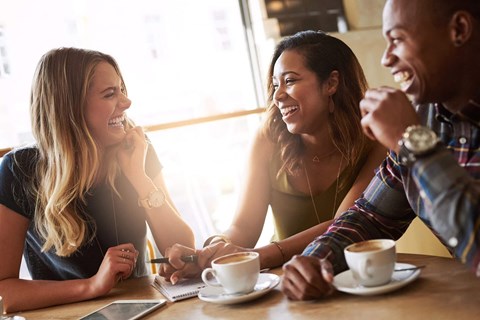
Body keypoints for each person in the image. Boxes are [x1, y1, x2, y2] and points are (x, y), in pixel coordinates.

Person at [281, 0, 480, 301]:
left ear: (459, 30)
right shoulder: (424, 115)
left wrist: (411, 141)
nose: (386, 58)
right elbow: (371, 215)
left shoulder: (412, 130)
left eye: (397, 39)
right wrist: (315, 258)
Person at [160, 30, 386, 284]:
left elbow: (347, 225)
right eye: (276, 84)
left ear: (331, 83)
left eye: (290, 81)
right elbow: (243, 228)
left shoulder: (376, 139)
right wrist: (211, 251)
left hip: (362, 279)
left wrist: (263, 256)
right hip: (287, 283)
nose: (278, 95)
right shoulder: (269, 138)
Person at [0, 47, 195, 312]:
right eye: (110, 94)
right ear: (69, 107)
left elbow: (185, 250)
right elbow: (5, 291)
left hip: (141, 310)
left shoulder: (135, 148)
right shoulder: (18, 170)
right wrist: (92, 285)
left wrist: (139, 176)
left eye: (121, 90)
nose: (126, 102)